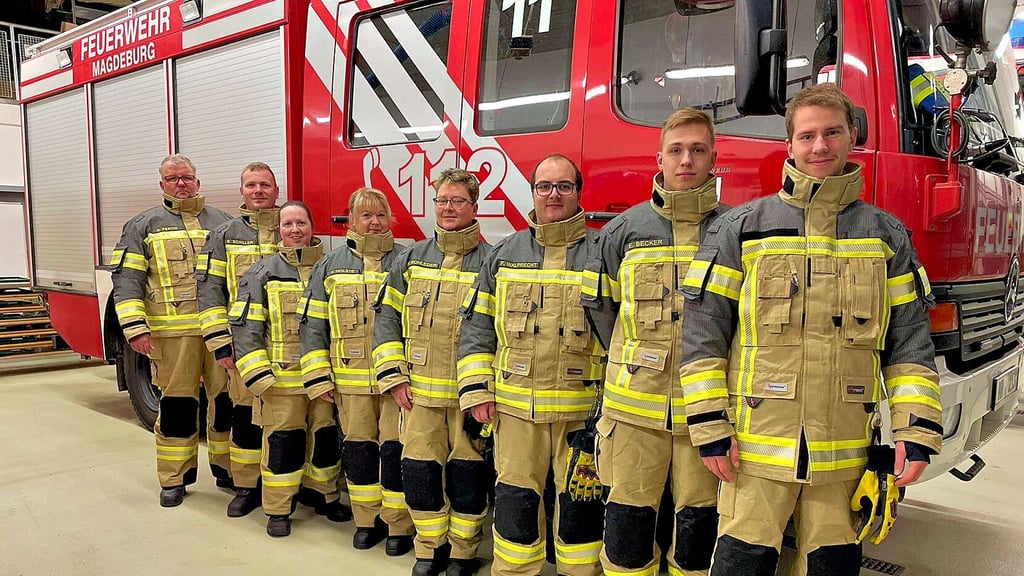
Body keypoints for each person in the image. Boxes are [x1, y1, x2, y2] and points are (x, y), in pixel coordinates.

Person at [678, 83, 942, 576]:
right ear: (790, 145)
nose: (819, 146)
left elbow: (909, 341)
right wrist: (711, 427)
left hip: (843, 454)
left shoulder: (885, 234)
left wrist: (916, 429)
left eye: (832, 133)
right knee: (741, 564)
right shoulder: (741, 228)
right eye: (807, 136)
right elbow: (704, 333)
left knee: (832, 567)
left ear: (851, 137)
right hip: (753, 452)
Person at [581, 108, 727, 576]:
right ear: (658, 159)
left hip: (701, 416)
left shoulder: (734, 229)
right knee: (627, 524)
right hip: (632, 414)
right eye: (676, 150)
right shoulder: (622, 231)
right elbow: (602, 307)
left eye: (697, 150)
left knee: (699, 526)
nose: (686, 160)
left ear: (713, 159)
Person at [457, 155, 606, 576]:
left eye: (563, 186)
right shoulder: (504, 253)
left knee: (582, 509)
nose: (553, 195)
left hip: (583, 413)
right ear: (533, 192)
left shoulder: (603, 251)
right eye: (544, 186)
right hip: (516, 409)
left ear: (578, 192)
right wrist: (477, 390)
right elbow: (477, 328)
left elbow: (621, 331)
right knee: (516, 505)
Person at [373, 168, 493, 576]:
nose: (448, 208)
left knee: (468, 477)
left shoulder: (492, 261)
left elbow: (496, 333)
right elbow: (386, 317)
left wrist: (482, 391)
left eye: (458, 201)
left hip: (467, 399)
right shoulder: (410, 258)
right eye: (442, 200)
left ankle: (462, 552)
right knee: (420, 473)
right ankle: (429, 549)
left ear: (474, 206)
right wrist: (395, 375)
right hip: (418, 394)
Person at [109, 154, 233, 507]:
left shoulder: (223, 223)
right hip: (171, 335)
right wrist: (135, 329)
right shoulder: (143, 226)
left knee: (225, 403)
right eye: (173, 178)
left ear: (198, 181)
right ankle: (174, 478)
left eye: (187, 177)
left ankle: (227, 469)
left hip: (219, 333)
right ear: (161, 183)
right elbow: (128, 280)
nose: (181, 184)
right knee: (178, 405)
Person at [300, 188, 415, 555]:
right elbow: (313, 326)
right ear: (351, 220)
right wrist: (319, 374)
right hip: (349, 382)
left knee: (396, 452)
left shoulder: (407, 260)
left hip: (395, 382)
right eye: (365, 215)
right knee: (360, 452)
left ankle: (399, 525)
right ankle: (366, 521)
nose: (374, 222)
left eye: (380, 214)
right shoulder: (329, 265)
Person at [229, 201, 346, 537]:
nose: (295, 230)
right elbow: (246, 327)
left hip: (323, 375)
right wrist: (259, 376)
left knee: (323, 437)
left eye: (301, 223)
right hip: (281, 379)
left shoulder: (328, 268)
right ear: (279, 230)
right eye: (288, 224)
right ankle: (278, 508)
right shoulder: (261, 272)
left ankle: (324, 495)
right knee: (283, 441)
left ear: (312, 227)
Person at [196, 162, 282, 518]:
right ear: (241, 191)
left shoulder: (292, 228)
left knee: (287, 419)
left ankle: (292, 486)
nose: (258, 190)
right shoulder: (222, 235)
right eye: (251, 185)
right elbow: (211, 292)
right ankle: (246, 486)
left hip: (286, 344)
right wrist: (221, 343)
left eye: (265, 185)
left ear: (276, 191)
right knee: (245, 414)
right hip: (243, 344)